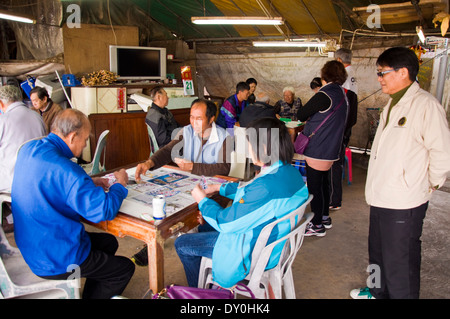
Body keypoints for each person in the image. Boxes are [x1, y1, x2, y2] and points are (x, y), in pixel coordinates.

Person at [351, 47, 450, 299]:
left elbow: (442, 152)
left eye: (382, 73)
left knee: (400, 260)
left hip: (404, 200)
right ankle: (377, 291)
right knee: (378, 253)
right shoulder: (392, 104)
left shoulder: (426, 105)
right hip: (381, 195)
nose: (379, 78)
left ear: (403, 72)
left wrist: (428, 185)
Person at [11, 108, 135, 299]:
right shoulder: (67, 169)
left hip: (32, 245)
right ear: (72, 136)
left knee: (109, 243)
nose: (85, 144)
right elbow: (104, 210)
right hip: (55, 260)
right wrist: (121, 184)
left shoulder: (30, 149)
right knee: (124, 269)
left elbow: (51, 182)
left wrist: (89, 182)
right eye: (85, 139)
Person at [174, 117, 309, 288]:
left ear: (265, 148)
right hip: (273, 243)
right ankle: (206, 272)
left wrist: (202, 200)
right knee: (205, 226)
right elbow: (252, 192)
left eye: (250, 145)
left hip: (249, 250)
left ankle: (202, 293)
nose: (248, 150)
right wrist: (218, 187)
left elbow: (226, 223)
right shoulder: (289, 173)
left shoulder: (266, 186)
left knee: (182, 243)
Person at [131, 99, 231, 266]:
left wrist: (193, 167)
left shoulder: (224, 137)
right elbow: (169, 150)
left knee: (183, 214)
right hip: (189, 184)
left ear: (211, 119)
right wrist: (150, 162)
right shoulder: (186, 131)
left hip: (211, 190)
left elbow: (224, 168)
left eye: (199, 118)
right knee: (163, 201)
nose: (194, 122)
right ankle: (152, 245)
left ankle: (187, 243)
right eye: (191, 117)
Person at [297, 60, 348, 237]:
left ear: (324, 75)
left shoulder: (324, 94)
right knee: (324, 183)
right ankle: (325, 217)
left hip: (318, 148)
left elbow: (301, 113)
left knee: (314, 187)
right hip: (332, 148)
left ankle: (316, 224)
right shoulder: (342, 94)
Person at [0, 85, 46, 233]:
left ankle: (9, 218)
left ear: (1, 103)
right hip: (38, 176)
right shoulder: (37, 116)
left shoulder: (3, 121)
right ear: (20, 98)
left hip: (14, 180)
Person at [329, 48, 359, 210]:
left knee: (334, 162)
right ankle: (334, 198)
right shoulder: (352, 75)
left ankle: (334, 200)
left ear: (339, 61)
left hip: (341, 127)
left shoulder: (345, 77)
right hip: (346, 125)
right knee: (336, 162)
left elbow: (342, 107)